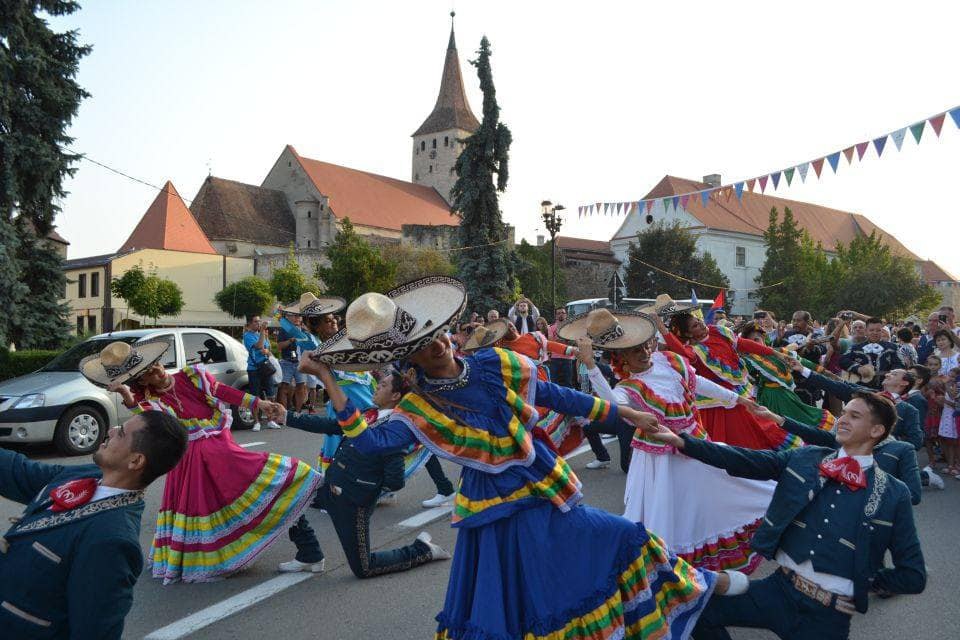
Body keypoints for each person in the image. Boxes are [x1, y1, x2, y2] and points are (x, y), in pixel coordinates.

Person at [306, 276, 728, 640]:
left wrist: (624, 412)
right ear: (408, 359)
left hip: (542, 484)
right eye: (420, 345)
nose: (435, 345)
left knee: (616, 540)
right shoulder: (418, 409)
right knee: (524, 595)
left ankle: (703, 585)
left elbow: (554, 395)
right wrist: (327, 379)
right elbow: (367, 443)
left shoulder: (492, 362)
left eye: (435, 333)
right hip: (494, 510)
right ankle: (707, 585)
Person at [641, 392, 926, 640]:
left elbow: (912, 576)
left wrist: (866, 583)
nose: (842, 419)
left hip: (827, 615)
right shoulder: (806, 457)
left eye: (854, 415)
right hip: (778, 588)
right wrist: (681, 441)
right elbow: (745, 460)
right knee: (696, 610)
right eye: (843, 413)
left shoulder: (893, 493)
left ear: (876, 431)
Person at [93, 341, 323, 583]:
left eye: (157, 365)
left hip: (223, 456)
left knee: (274, 489)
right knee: (217, 512)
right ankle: (303, 552)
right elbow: (146, 421)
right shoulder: (152, 402)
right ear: (142, 382)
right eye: (149, 373)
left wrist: (260, 403)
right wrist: (125, 393)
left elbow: (223, 392)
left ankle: (311, 549)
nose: (157, 371)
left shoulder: (190, 376)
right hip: (191, 466)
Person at [566, 309, 776, 573]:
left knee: (722, 489)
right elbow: (612, 407)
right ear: (622, 359)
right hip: (660, 462)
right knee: (669, 513)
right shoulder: (628, 388)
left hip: (696, 445)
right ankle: (671, 570)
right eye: (633, 351)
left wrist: (738, 399)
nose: (643, 353)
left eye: (643, 346)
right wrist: (592, 368)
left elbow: (698, 382)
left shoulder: (668, 360)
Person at [0, 409, 185, 639]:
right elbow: (20, 472)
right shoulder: (88, 474)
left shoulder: (113, 541)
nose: (111, 430)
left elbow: (94, 632)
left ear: (135, 460)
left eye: (121, 433)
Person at [273, 369, 452, 576]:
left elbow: (395, 481)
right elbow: (331, 425)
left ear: (395, 396)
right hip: (328, 485)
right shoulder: (369, 413)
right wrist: (287, 416)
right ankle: (309, 554)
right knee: (289, 495)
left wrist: (363, 489)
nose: (377, 387)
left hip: (353, 503)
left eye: (384, 385)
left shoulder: (395, 429)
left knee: (364, 568)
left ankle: (423, 550)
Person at [643, 296, 800, 451]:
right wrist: (661, 328)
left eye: (699, 321)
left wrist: (776, 353)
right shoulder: (694, 350)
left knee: (761, 430)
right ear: (689, 334)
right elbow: (681, 351)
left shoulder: (718, 331)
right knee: (732, 441)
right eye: (695, 326)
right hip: (714, 403)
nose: (701, 325)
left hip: (737, 396)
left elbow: (746, 345)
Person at [789, 361, 923, 451]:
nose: (887, 374)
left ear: (904, 383)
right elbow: (836, 386)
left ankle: (926, 475)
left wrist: (888, 446)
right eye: (889, 372)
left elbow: (916, 441)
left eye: (894, 374)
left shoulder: (909, 410)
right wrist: (803, 370)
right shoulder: (867, 394)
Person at [739, 321, 836, 432]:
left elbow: (804, 363)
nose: (755, 344)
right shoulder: (749, 360)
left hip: (786, 395)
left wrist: (827, 373)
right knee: (778, 427)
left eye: (757, 340)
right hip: (769, 397)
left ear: (763, 339)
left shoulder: (780, 352)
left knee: (800, 421)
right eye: (750, 342)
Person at [839, 315, 904, 389]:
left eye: (878, 330)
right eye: (871, 330)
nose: (875, 333)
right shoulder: (856, 348)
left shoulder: (892, 347)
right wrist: (858, 368)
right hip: (861, 389)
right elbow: (842, 360)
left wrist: (892, 374)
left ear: (882, 331)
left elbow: (900, 364)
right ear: (866, 331)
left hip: (886, 389)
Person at [243, 314, 280, 430]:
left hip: (265, 367)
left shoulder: (261, 334)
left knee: (271, 394)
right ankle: (256, 422)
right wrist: (263, 332)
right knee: (255, 396)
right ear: (249, 324)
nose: (258, 324)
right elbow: (259, 346)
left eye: (259, 321)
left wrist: (267, 351)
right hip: (254, 369)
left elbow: (267, 347)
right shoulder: (247, 336)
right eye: (255, 322)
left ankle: (270, 420)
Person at [277, 312, 307, 411]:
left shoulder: (304, 330)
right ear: (288, 317)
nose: (297, 318)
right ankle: (284, 413)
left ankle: (298, 413)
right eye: (294, 316)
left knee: (301, 386)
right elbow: (279, 346)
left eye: (298, 315)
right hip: (287, 361)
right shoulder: (284, 330)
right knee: (283, 387)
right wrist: (291, 340)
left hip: (300, 361)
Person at [547, 307, 576, 388]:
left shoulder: (571, 327)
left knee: (568, 382)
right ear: (556, 316)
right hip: (555, 358)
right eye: (559, 313)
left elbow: (573, 340)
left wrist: (559, 340)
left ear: (566, 315)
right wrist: (565, 340)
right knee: (554, 383)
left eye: (563, 313)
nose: (561, 315)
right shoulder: (551, 327)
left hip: (568, 357)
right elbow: (550, 341)